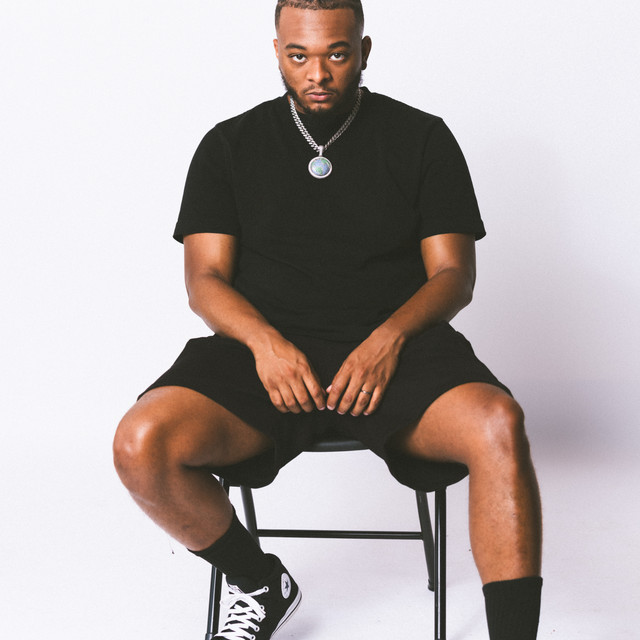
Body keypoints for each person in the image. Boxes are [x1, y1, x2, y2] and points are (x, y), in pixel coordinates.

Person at [113, 1, 543, 638]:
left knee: (498, 424)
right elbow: (203, 280)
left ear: (363, 51)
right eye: (299, 56)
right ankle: (262, 584)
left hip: (396, 351)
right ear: (277, 52)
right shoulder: (229, 144)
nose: (317, 74)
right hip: (263, 356)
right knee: (140, 443)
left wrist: (389, 339)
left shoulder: (422, 137)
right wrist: (264, 343)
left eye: (336, 54)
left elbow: (455, 274)